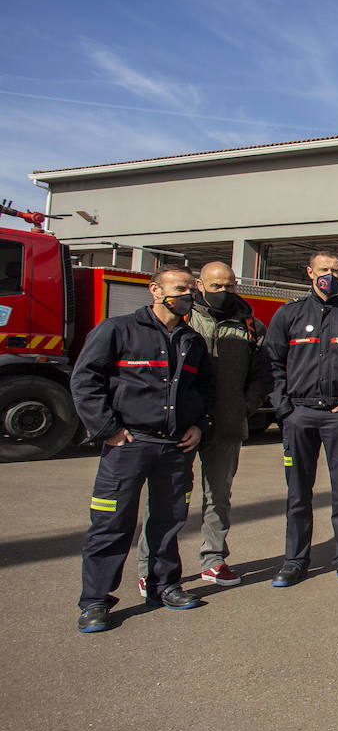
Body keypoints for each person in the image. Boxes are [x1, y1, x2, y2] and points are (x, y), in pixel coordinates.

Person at [71, 265, 215, 633]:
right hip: (129, 445)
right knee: (111, 524)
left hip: (175, 447)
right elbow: (85, 380)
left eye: (190, 290)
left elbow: (205, 392)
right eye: (179, 288)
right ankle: (96, 602)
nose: (187, 296)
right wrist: (108, 430)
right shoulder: (117, 330)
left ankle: (163, 586)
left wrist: (200, 426)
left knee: (168, 523)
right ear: (155, 290)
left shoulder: (192, 340)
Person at [133, 261, 270, 593]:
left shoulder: (251, 325)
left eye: (230, 286)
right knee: (166, 499)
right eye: (215, 286)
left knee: (218, 497)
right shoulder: (183, 318)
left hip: (225, 426)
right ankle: (151, 566)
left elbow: (263, 375)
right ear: (199, 285)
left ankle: (213, 561)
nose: (223, 292)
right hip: (180, 427)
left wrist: (244, 407)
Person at [261, 251, 338, 587]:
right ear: (310, 272)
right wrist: (284, 408)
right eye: (324, 269)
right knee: (298, 493)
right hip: (299, 415)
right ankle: (295, 560)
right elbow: (270, 364)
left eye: (336, 270)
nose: (330, 274)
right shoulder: (290, 314)